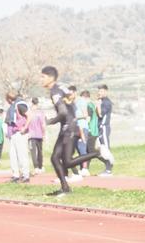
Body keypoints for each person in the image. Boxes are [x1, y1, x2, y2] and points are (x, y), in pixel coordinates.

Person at [41, 67, 107, 195]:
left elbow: (63, 112)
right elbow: (71, 101)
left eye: (43, 77)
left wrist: (50, 121)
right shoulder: (61, 87)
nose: (41, 79)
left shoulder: (55, 92)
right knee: (55, 158)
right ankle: (65, 188)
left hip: (69, 129)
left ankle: (97, 153)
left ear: (51, 78)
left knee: (68, 162)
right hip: (67, 127)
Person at [4, 93, 31, 183]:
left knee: (22, 155)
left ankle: (25, 175)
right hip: (13, 133)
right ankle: (15, 175)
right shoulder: (13, 106)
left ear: (9, 98)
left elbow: (30, 116)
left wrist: (25, 127)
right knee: (13, 155)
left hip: (20, 133)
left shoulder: (20, 104)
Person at [95, 84, 115, 174]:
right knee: (100, 149)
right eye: (99, 91)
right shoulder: (101, 101)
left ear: (106, 92)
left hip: (104, 127)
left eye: (101, 91)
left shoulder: (106, 102)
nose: (99, 93)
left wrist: (98, 104)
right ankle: (107, 167)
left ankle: (109, 170)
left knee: (106, 148)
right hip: (99, 128)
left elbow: (100, 114)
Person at [27, 97, 46, 174]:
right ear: (38, 103)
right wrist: (44, 134)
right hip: (39, 134)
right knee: (40, 151)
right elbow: (43, 124)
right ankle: (40, 166)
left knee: (33, 152)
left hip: (31, 135)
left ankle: (36, 167)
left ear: (32, 102)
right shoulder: (41, 112)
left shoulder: (29, 112)